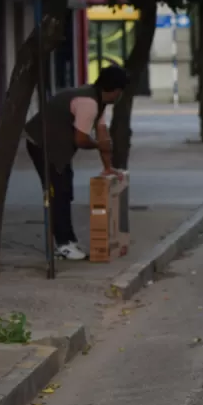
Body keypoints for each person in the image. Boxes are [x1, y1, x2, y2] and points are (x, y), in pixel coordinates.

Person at [23, 65, 128, 261]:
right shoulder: (89, 103)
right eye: (122, 91)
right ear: (116, 91)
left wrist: (107, 167)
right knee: (58, 191)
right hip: (42, 143)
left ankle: (67, 240)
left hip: (56, 143)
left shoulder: (98, 100)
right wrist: (98, 145)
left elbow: (102, 134)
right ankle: (63, 244)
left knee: (65, 188)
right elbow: (81, 140)